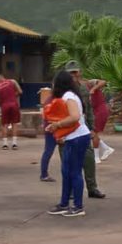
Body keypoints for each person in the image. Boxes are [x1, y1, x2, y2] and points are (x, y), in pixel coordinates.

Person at [45, 71, 91, 217]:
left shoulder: (68, 97)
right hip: (72, 137)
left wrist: (57, 125)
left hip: (78, 137)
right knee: (66, 171)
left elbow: (75, 116)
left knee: (74, 171)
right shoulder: (68, 96)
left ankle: (78, 206)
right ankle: (64, 203)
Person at [64, 60, 106, 199]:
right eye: (71, 73)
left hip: (83, 130)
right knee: (69, 163)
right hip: (67, 131)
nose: (74, 75)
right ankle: (70, 191)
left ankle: (92, 188)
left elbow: (89, 111)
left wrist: (92, 129)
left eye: (75, 72)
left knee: (88, 160)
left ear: (79, 72)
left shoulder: (83, 89)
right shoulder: (61, 90)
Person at [85, 77, 115, 163]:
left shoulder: (89, 83)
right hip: (95, 111)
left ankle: (96, 157)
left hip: (100, 110)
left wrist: (93, 89)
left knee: (94, 133)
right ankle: (106, 148)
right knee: (91, 133)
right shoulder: (79, 89)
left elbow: (103, 81)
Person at [0, 74, 22, 150]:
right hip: (14, 104)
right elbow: (20, 91)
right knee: (14, 124)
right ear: (3, 77)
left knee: (4, 124)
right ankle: (14, 144)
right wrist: (13, 96)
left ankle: (5, 144)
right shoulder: (12, 81)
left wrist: (0, 105)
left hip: (4, 106)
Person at [39, 93, 57, 182]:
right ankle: (44, 174)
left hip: (49, 127)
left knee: (48, 151)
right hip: (54, 128)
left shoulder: (49, 99)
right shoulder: (56, 100)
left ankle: (44, 174)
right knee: (49, 151)